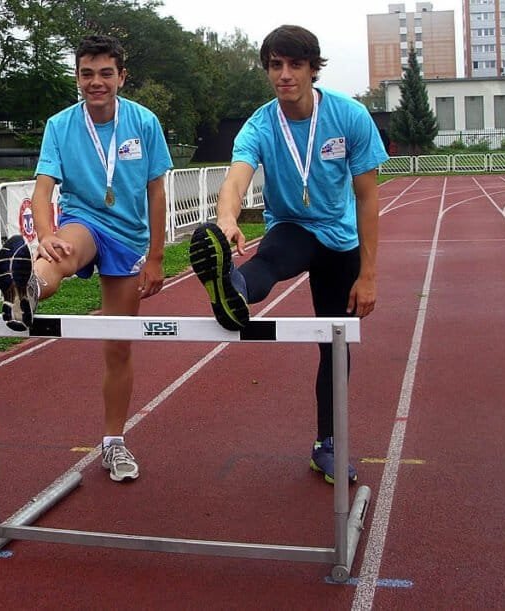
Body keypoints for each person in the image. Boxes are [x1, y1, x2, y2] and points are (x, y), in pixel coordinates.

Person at [189, 25, 388, 485]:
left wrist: (370, 274)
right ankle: (231, 288)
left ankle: (328, 445)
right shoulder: (260, 124)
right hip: (293, 228)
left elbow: (367, 199)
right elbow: (237, 178)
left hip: (341, 241)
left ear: (312, 69)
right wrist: (226, 219)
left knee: (333, 345)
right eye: (275, 65)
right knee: (267, 262)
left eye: (294, 65)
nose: (284, 74)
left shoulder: (349, 116)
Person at [0, 35, 172, 483]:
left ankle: (114, 443)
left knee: (118, 345)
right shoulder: (60, 124)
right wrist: (46, 232)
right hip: (84, 220)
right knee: (62, 254)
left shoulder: (144, 121)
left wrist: (156, 256)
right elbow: (42, 187)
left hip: (130, 238)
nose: (96, 83)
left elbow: (155, 191)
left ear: (121, 77)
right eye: (87, 74)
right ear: (77, 78)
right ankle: (26, 287)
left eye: (105, 74)